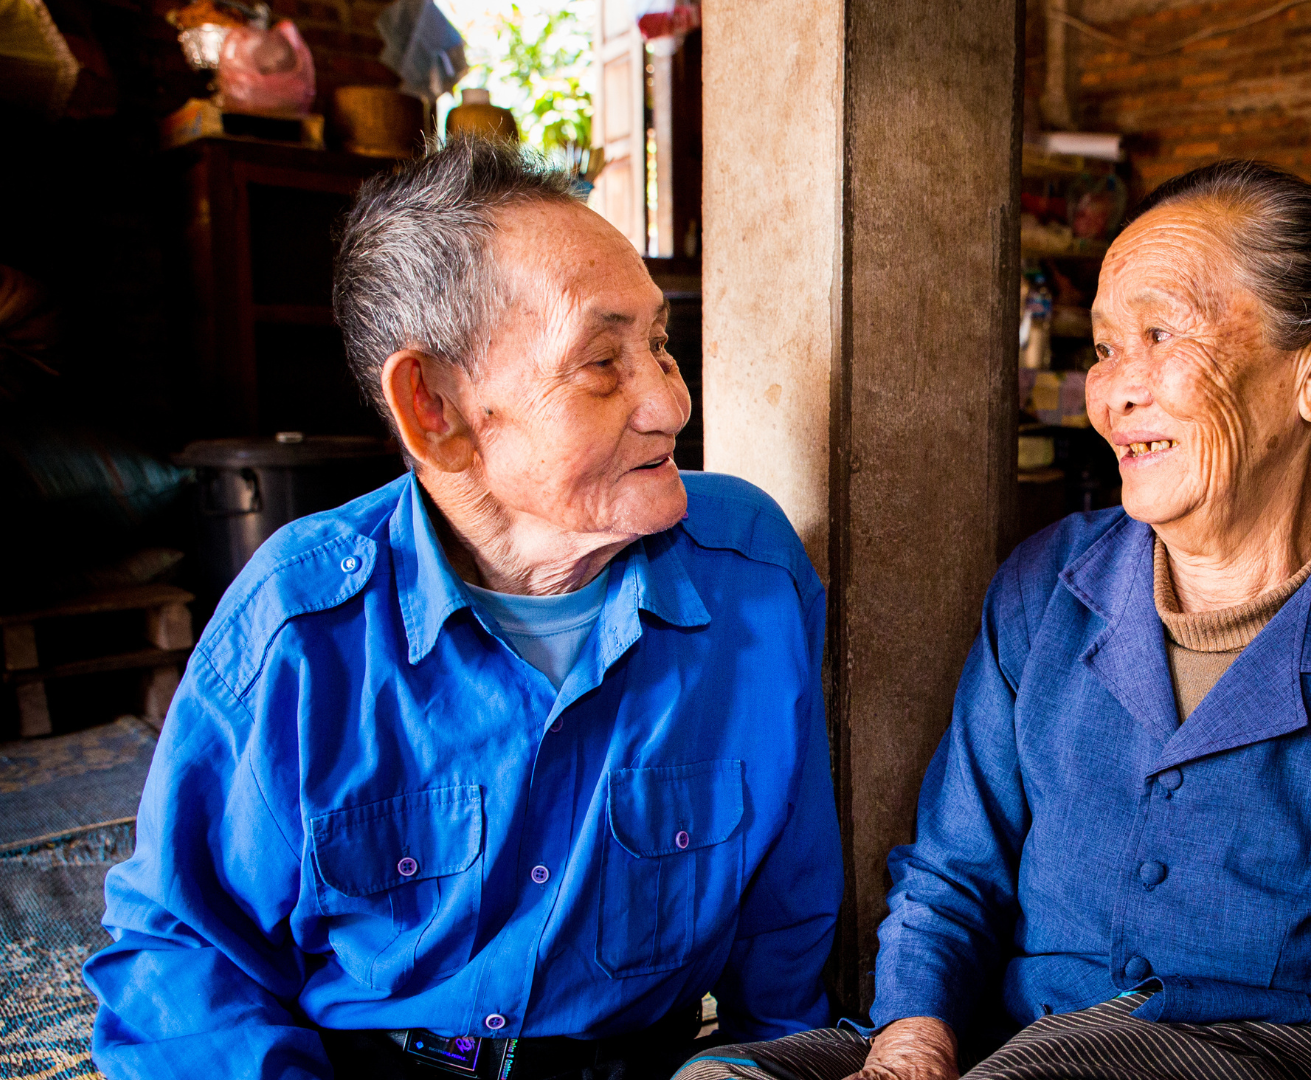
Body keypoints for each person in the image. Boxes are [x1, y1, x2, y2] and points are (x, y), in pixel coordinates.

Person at [675, 161, 1311, 1080]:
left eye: (1162, 334)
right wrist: (911, 1043)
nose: (1114, 390)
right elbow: (952, 870)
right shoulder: (1046, 588)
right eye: (1103, 346)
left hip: (1284, 1049)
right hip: (1024, 1036)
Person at [83, 139, 842, 1080]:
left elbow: (788, 928)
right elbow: (181, 952)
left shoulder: (749, 574)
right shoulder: (301, 624)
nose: (669, 404)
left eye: (660, 346)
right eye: (602, 363)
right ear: (435, 407)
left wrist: (763, 1066)